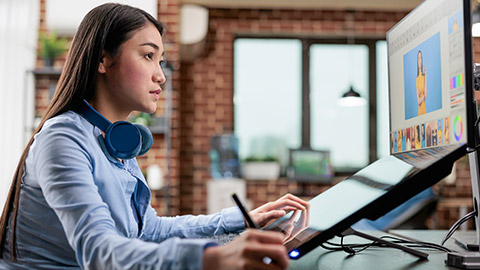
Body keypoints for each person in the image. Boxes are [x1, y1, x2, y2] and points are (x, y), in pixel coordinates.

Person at [0, 3, 309, 269]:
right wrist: (211, 259)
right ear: (104, 60)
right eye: (148, 56)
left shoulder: (118, 141)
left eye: (160, 61)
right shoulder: (62, 140)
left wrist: (242, 220)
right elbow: (100, 251)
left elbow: (150, 230)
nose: (160, 75)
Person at [416, 50, 427, 116]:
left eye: (420, 58)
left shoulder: (424, 75)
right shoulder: (417, 78)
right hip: (419, 111)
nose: (419, 60)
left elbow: (426, 95)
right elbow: (418, 101)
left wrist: (425, 73)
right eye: (418, 58)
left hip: (424, 109)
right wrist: (423, 96)